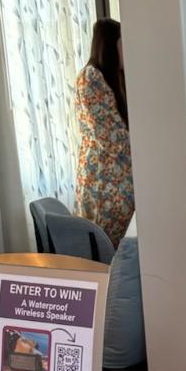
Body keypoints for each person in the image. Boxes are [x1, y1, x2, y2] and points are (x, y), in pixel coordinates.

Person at [76, 18, 134, 248]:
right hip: (104, 186)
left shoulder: (113, 79)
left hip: (116, 186)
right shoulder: (91, 78)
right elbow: (111, 138)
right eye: (122, 44)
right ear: (110, 47)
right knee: (111, 257)